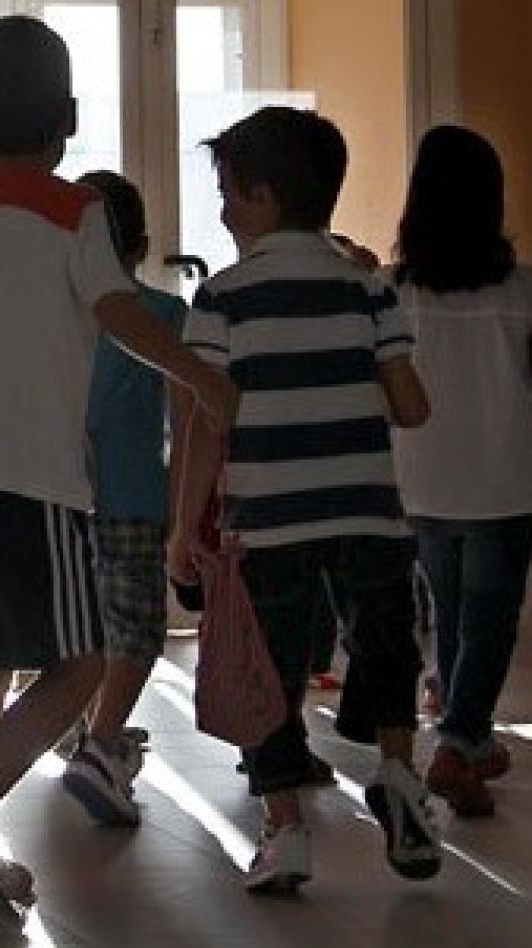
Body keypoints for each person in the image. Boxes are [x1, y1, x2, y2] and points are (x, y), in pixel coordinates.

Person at [0, 19, 237, 940]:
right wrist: (198, 374)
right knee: (82, 658)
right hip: (27, 479)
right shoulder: (71, 208)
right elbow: (116, 307)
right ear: (70, 116)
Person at [170, 105, 441, 894]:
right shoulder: (366, 287)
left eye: (225, 192)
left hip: (269, 522)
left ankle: (285, 828)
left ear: (259, 196)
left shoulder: (224, 298)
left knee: (269, 678)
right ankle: (397, 778)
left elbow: (203, 427)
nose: (220, 210)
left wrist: (183, 530)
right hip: (367, 512)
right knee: (387, 648)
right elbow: (412, 406)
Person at [390, 125, 532, 818]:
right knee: (491, 622)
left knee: (451, 615)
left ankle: (470, 746)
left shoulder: (397, 294)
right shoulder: (522, 292)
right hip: (503, 482)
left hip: (419, 480)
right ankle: (456, 743)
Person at [57, 170, 188, 827]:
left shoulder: (53, 318)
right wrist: (182, 504)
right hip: (136, 494)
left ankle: (86, 731)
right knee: (134, 626)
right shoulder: (164, 315)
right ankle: (103, 742)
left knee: (78, 625)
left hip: (60, 495)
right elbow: (184, 421)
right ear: (138, 245)